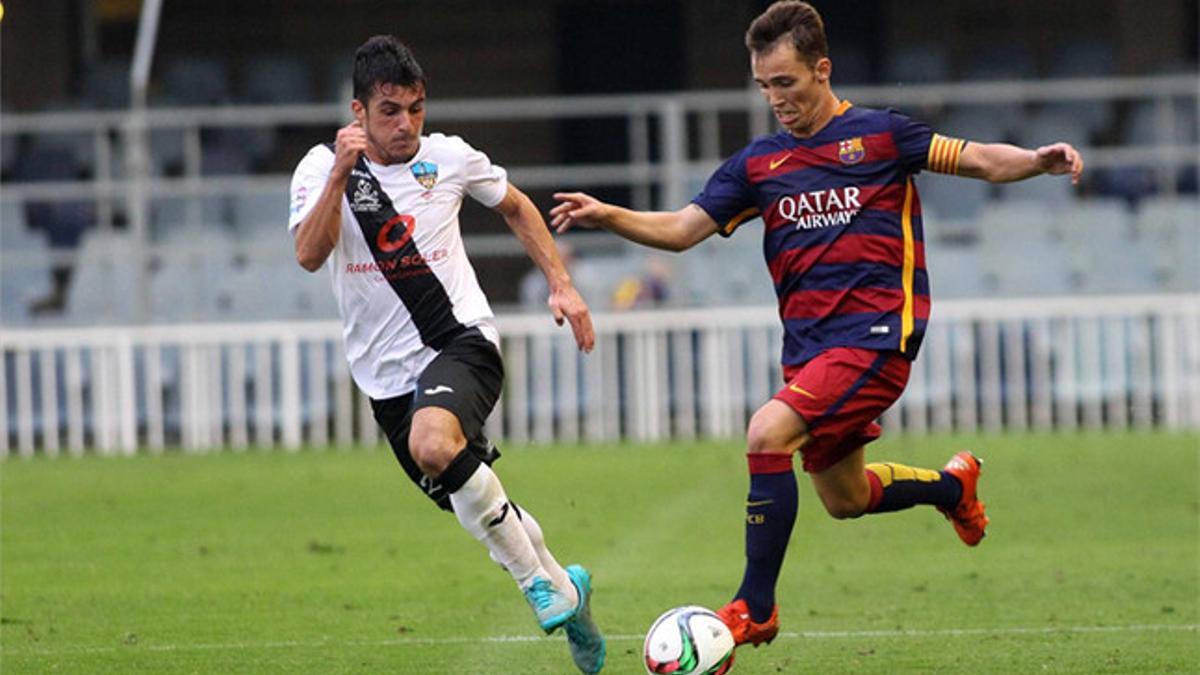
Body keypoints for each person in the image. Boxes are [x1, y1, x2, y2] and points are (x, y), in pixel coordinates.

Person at [551, 0, 1083, 652]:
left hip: (879, 335)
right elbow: (684, 228)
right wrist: (609, 214)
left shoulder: (882, 136)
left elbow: (977, 159)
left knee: (766, 431)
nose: (776, 98)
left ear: (822, 69)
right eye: (764, 85)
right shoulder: (759, 165)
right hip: (810, 352)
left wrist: (1037, 159)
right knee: (845, 496)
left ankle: (755, 605)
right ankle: (953, 485)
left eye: (787, 82)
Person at [289, 36, 605, 673]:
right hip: (385, 382)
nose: (405, 124)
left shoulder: (451, 158)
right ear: (358, 112)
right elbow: (309, 254)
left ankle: (535, 588)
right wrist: (341, 177)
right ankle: (569, 590)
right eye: (389, 111)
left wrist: (562, 285)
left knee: (435, 445)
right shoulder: (320, 169)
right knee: (480, 504)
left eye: (416, 108)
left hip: (463, 342)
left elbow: (517, 208)